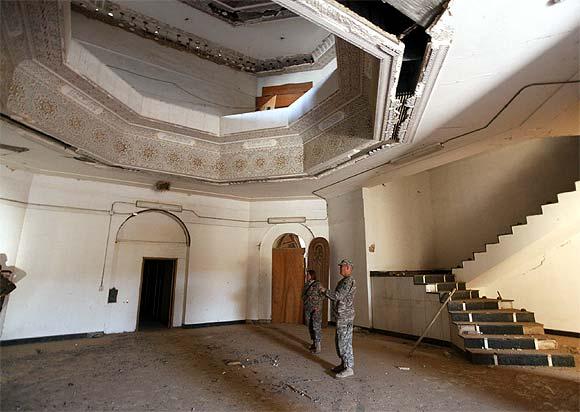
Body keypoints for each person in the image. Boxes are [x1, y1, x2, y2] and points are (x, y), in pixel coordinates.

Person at [321, 259, 356, 378]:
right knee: (340, 341)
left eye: (342, 266)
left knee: (344, 341)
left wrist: (324, 290)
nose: (340, 268)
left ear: (348, 267)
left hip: (345, 317)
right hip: (342, 316)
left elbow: (338, 296)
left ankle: (348, 367)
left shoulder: (348, 281)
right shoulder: (344, 281)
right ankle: (343, 364)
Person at [302, 269, 324, 353]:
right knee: (310, 326)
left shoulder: (318, 285)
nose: (306, 276)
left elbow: (323, 296)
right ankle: (314, 343)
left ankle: (318, 346)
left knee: (316, 326)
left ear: (312, 275)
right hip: (308, 308)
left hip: (316, 309)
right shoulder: (306, 285)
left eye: (308, 275)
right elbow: (303, 296)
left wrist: (317, 306)